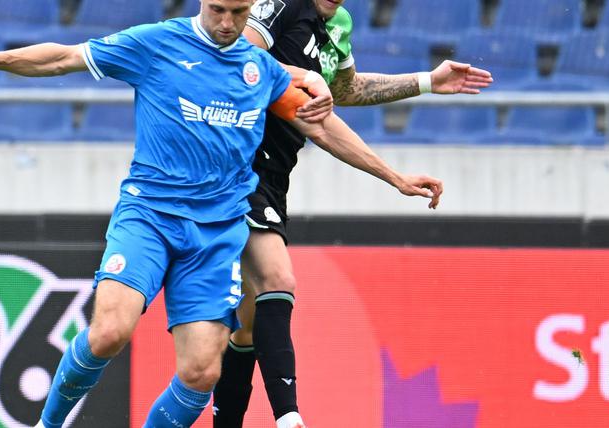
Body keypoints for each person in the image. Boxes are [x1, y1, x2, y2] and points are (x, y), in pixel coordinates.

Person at [0, 1, 443, 427]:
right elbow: (62, 57)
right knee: (110, 331)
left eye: (238, 12)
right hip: (149, 215)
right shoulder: (157, 43)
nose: (226, 22)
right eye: (218, 9)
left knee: (201, 373)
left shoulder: (260, 70)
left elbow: (323, 127)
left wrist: (395, 177)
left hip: (218, 231)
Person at [211, 1, 493, 427]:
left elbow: (343, 92)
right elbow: (239, 62)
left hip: (274, 172)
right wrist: (303, 80)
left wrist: (426, 82)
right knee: (277, 279)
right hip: (238, 164)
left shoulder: (338, 23)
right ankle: (289, 419)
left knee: (249, 323)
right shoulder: (280, 5)